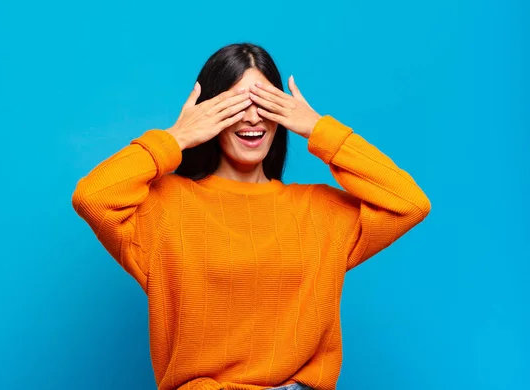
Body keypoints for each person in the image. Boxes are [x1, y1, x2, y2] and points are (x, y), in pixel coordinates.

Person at [71, 43, 431, 390]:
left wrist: (318, 129)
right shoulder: (165, 208)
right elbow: (93, 196)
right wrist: (177, 137)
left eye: (265, 102)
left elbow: (408, 202)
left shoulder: (319, 210)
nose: (253, 116)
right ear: (209, 111)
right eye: (236, 103)